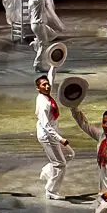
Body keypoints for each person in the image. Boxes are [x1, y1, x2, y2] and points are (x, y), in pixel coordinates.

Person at [35, 69, 73, 200]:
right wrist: (60, 139)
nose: (47, 86)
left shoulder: (47, 95)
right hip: (48, 136)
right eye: (43, 85)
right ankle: (50, 191)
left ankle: (47, 171)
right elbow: (46, 126)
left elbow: (51, 78)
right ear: (38, 88)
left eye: (47, 84)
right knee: (60, 164)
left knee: (69, 154)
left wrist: (53, 65)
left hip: (53, 133)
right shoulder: (43, 103)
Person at [28, 0, 54, 72]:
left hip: (35, 24)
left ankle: (35, 43)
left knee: (51, 35)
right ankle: (37, 64)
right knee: (44, 44)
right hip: (38, 24)